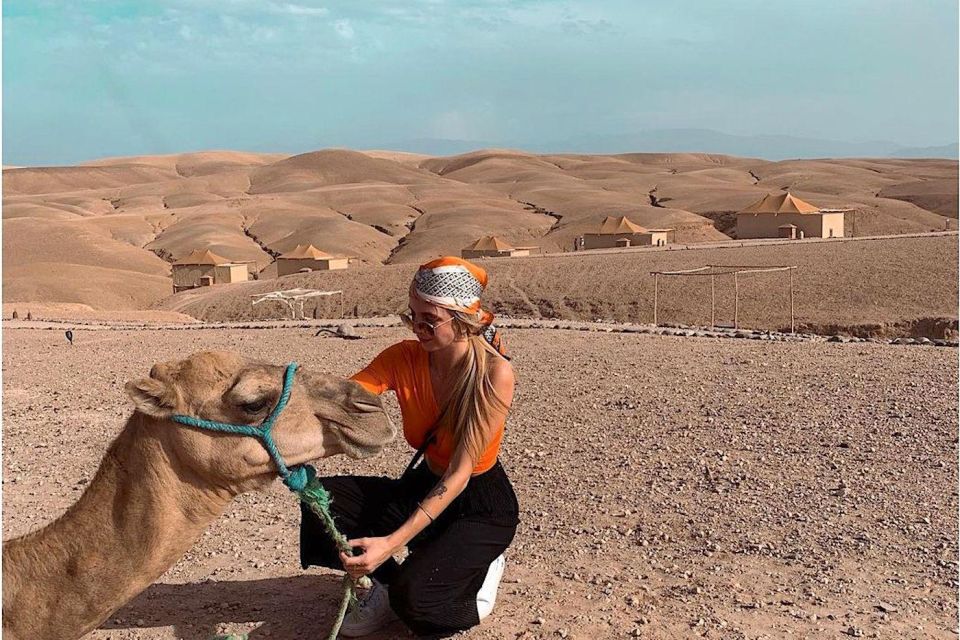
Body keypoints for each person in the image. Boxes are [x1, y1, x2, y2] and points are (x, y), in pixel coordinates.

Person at [300, 256, 520, 637]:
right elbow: (347, 400)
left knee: (417, 604)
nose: (417, 328)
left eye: (429, 320)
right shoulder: (403, 357)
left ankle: (481, 580)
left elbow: (459, 474)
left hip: (479, 504)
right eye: (412, 316)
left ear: (462, 319)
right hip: (425, 484)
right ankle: (386, 584)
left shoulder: (493, 373)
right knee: (321, 501)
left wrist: (391, 543)